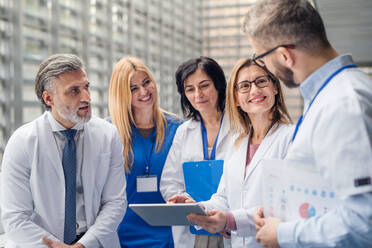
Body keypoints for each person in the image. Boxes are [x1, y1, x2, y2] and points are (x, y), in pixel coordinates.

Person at [243, 0, 372, 247]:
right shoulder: (330, 97)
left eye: (261, 58)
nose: (265, 67)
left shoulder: (343, 105)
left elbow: (364, 222)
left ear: (285, 55)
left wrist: (284, 234)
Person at [0, 54, 127, 248]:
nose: (87, 97)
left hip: (94, 243)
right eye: (74, 91)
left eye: (86, 86)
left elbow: (115, 203)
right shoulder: (22, 142)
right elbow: (15, 217)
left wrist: (83, 245)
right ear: (48, 98)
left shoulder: (108, 135)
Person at [187, 58, 293, 247]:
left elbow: (288, 205)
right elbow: (224, 198)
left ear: (275, 87)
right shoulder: (237, 143)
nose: (254, 90)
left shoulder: (292, 138)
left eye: (261, 81)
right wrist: (198, 208)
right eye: (244, 86)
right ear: (235, 98)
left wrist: (230, 220)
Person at [108, 57, 182, 248]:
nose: (144, 91)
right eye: (133, 88)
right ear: (122, 94)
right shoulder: (109, 131)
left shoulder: (178, 128)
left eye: (146, 82)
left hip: (168, 233)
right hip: (124, 232)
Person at [160, 56, 230, 248]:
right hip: (193, 227)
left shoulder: (241, 127)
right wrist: (189, 202)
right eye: (190, 89)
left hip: (229, 224)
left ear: (218, 85)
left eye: (204, 85)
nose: (198, 94)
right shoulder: (184, 131)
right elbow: (169, 182)